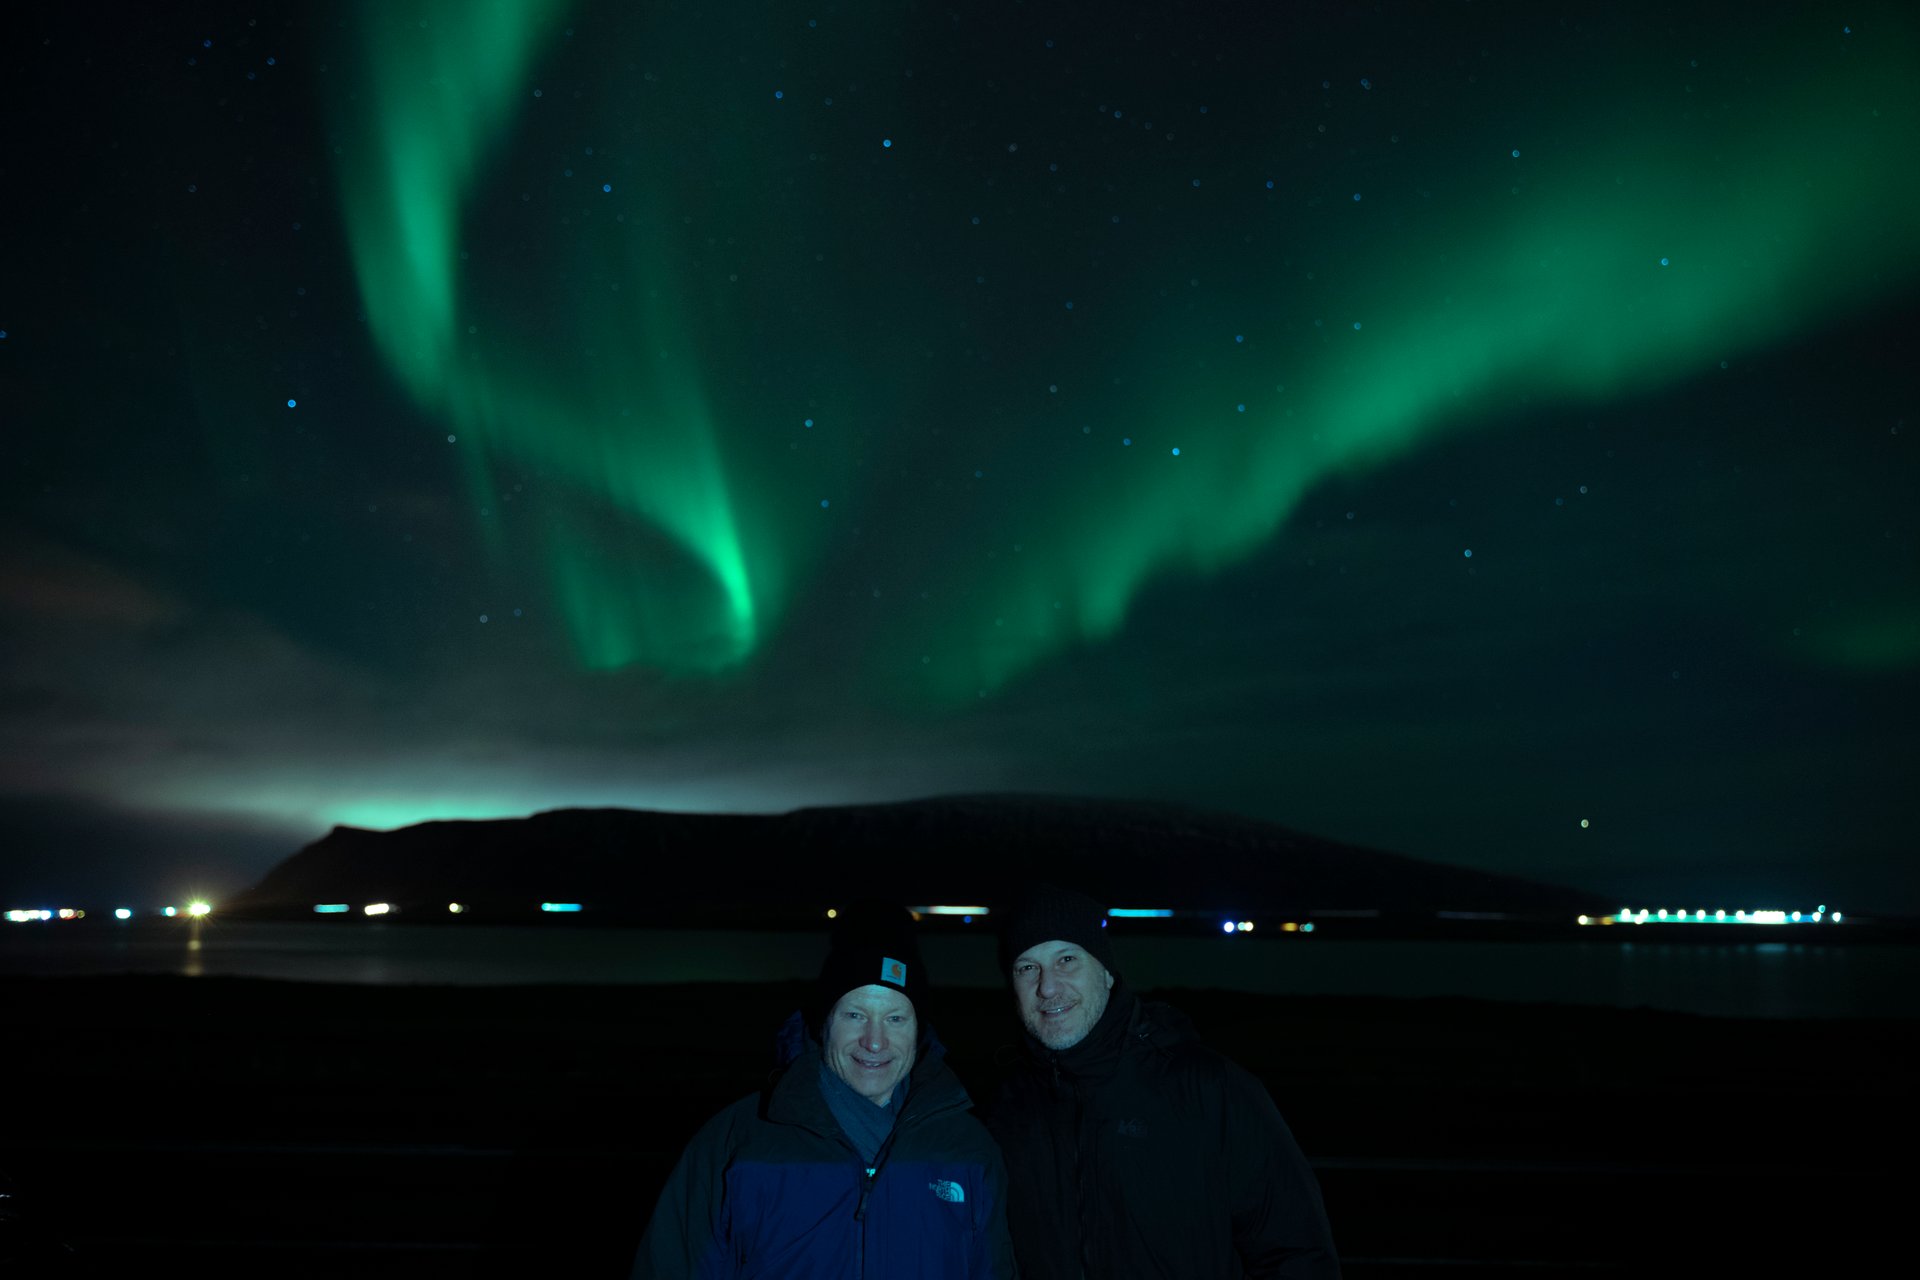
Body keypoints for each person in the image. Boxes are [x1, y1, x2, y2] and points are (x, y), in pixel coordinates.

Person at [632, 903, 1017, 1278]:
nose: (875, 1042)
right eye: (855, 1015)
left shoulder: (969, 1150)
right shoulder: (736, 1141)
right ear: (822, 1024)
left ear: (919, 1035)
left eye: (896, 1018)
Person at [986, 885, 1340, 1278]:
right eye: (1027, 967)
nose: (1047, 987)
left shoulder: (1208, 1089)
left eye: (1067, 959)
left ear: (1105, 972)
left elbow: (1296, 1252)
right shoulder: (1001, 1109)